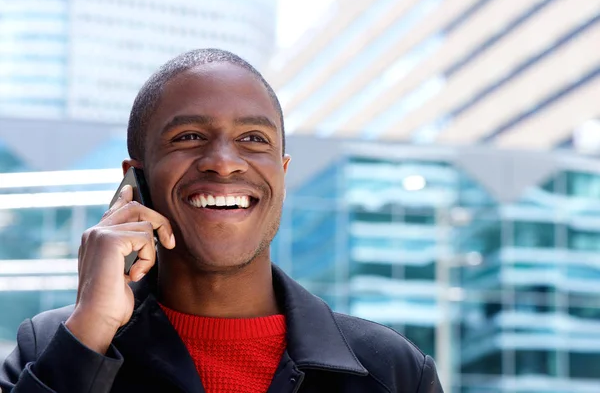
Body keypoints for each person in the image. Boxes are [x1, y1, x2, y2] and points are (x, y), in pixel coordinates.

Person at [0, 48, 443, 393]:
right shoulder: (52, 346)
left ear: (282, 174)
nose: (224, 163)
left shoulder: (392, 370)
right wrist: (89, 334)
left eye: (253, 139)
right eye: (188, 137)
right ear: (135, 179)